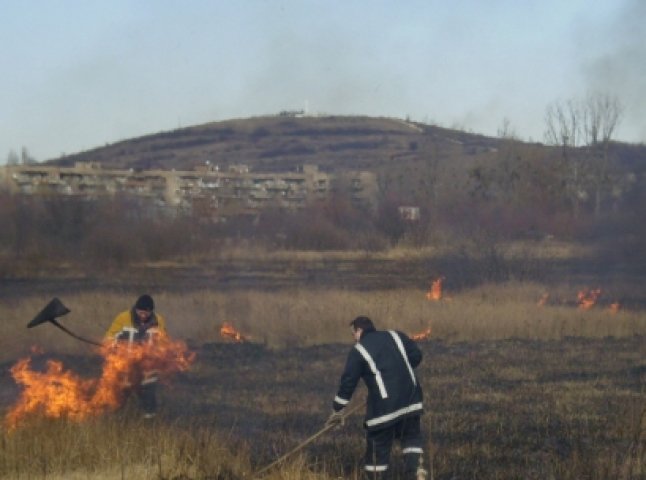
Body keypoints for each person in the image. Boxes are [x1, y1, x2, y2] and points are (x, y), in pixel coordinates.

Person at [327, 316, 426, 479]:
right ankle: (416, 473)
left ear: (359, 331)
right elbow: (416, 356)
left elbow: (348, 382)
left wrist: (337, 409)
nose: (354, 339)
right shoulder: (396, 335)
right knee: (411, 439)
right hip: (412, 402)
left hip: (383, 411)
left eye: (353, 335)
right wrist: (396, 372)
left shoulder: (358, 351)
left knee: (377, 451)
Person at [105, 294, 167, 418]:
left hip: (148, 366)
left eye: (146, 313)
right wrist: (114, 345)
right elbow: (110, 337)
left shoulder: (158, 320)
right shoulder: (123, 318)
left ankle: (149, 420)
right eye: (140, 312)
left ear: (151, 311)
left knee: (148, 393)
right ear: (136, 309)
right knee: (121, 393)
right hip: (125, 364)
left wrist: (160, 352)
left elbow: (163, 341)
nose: (143, 315)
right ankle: (116, 420)